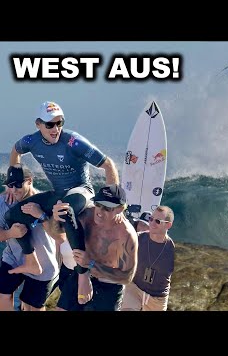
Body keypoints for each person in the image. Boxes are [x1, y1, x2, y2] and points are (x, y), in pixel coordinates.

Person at [4, 100, 121, 304]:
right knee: (13, 214)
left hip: (81, 191)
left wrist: (113, 205)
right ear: (38, 124)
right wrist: (14, 181)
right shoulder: (31, 141)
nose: (56, 128)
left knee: (65, 211)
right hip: (58, 192)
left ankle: (83, 275)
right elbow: (15, 150)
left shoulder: (73, 142)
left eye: (60, 123)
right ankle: (31, 261)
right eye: (50, 124)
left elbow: (108, 165)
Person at [49, 185, 138, 311]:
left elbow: (127, 277)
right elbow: (58, 234)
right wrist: (55, 218)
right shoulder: (86, 216)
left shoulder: (126, 235)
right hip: (82, 273)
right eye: (98, 204)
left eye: (107, 208)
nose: (100, 212)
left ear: (119, 209)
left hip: (109, 283)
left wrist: (90, 263)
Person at [0, 164, 60, 311]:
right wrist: (10, 234)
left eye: (18, 185)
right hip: (13, 258)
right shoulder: (4, 202)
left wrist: (42, 216)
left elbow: (61, 237)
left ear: (30, 181)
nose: (14, 190)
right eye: (10, 185)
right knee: (2, 294)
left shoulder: (46, 202)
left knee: (31, 307)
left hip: (43, 264)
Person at [121, 205, 175, 311]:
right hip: (134, 288)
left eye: (158, 221)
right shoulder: (138, 238)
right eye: (151, 219)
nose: (152, 223)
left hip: (157, 296)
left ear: (168, 225)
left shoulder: (171, 249)